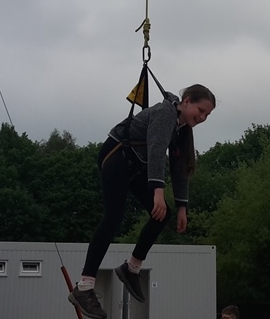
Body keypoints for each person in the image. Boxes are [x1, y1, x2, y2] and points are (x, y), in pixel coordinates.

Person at [68, 84, 216, 319]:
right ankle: (84, 286)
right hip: (117, 155)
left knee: (162, 214)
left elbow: (180, 168)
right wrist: (158, 191)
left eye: (207, 115)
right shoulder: (166, 112)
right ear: (187, 101)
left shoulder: (183, 129)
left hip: (136, 165)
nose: (203, 118)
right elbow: (156, 150)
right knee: (113, 217)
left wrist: (182, 207)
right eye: (201, 110)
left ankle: (131, 268)